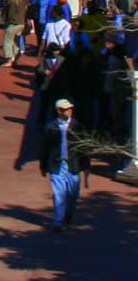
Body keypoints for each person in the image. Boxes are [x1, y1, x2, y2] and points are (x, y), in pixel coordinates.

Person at [40, 96, 86, 230]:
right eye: (66, 109)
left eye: (70, 109)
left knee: (73, 194)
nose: (69, 111)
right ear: (59, 111)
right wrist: (43, 166)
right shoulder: (50, 127)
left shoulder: (77, 126)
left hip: (73, 165)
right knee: (59, 194)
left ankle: (68, 214)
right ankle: (58, 222)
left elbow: (84, 148)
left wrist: (86, 166)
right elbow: (45, 148)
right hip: (57, 165)